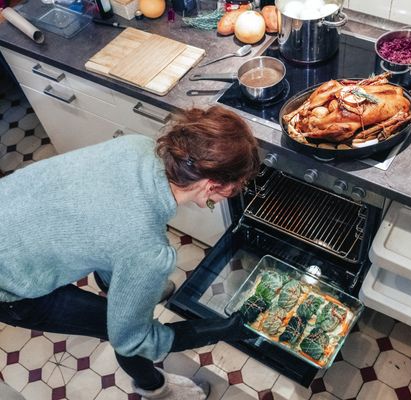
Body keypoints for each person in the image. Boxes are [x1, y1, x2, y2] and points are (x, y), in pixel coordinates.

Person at [0, 106, 260, 399]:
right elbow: (131, 340)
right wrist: (220, 329)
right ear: (211, 186)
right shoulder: (147, 252)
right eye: (235, 187)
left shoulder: (136, 146)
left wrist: (131, 288)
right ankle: (157, 389)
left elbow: (110, 220)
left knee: (128, 296)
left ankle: (122, 292)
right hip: (9, 284)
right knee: (118, 329)